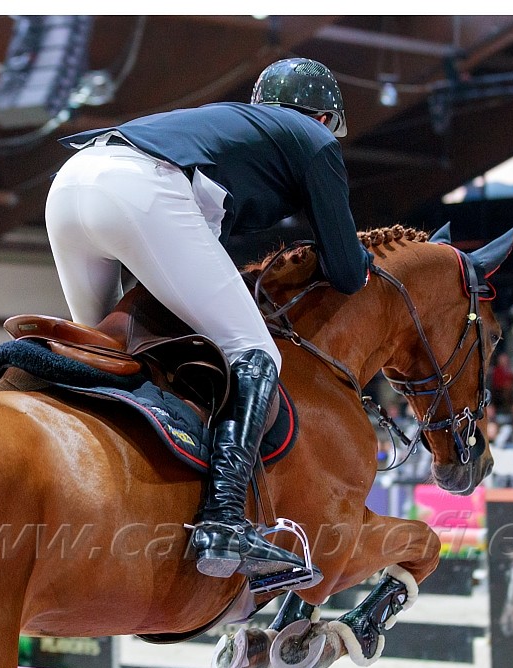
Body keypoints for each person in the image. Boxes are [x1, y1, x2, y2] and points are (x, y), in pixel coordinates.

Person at [45, 58, 373, 586]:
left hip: (69, 186)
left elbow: (195, 247)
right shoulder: (314, 140)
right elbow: (346, 270)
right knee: (257, 351)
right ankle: (223, 522)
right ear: (323, 116)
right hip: (142, 188)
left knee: (107, 353)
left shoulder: (229, 135)